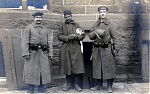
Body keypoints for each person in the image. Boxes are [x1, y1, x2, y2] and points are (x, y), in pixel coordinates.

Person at [89, 6, 119, 93]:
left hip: (107, 49)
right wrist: (95, 32)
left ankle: (109, 85)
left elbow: (116, 37)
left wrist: (116, 49)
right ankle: (98, 84)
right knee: (97, 67)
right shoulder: (95, 24)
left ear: (106, 13)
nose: (102, 13)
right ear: (99, 13)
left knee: (109, 67)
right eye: (101, 12)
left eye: (104, 12)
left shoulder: (111, 24)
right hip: (97, 49)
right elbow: (90, 37)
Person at [21, 12, 53, 93]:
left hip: (43, 52)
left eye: (40, 17)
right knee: (31, 70)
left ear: (41, 18)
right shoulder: (29, 28)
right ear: (34, 18)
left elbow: (49, 42)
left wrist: (50, 53)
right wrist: (25, 53)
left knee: (43, 70)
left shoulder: (45, 29)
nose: (38, 19)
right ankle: (31, 88)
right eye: (37, 17)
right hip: (32, 53)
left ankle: (41, 87)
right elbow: (24, 41)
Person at [58, 10, 85, 92]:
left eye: (69, 16)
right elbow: (59, 36)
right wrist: (67, 38)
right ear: (64, 17)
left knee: (77, 66)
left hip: (75, 48)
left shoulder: (77, 25)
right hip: (66, 48)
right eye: (66, 17)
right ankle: (69, 84)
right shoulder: (62, 26)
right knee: (67, 66)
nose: (67, 18)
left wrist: (76, 37)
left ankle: (76, 84)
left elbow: (83, 35)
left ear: (71, 16)